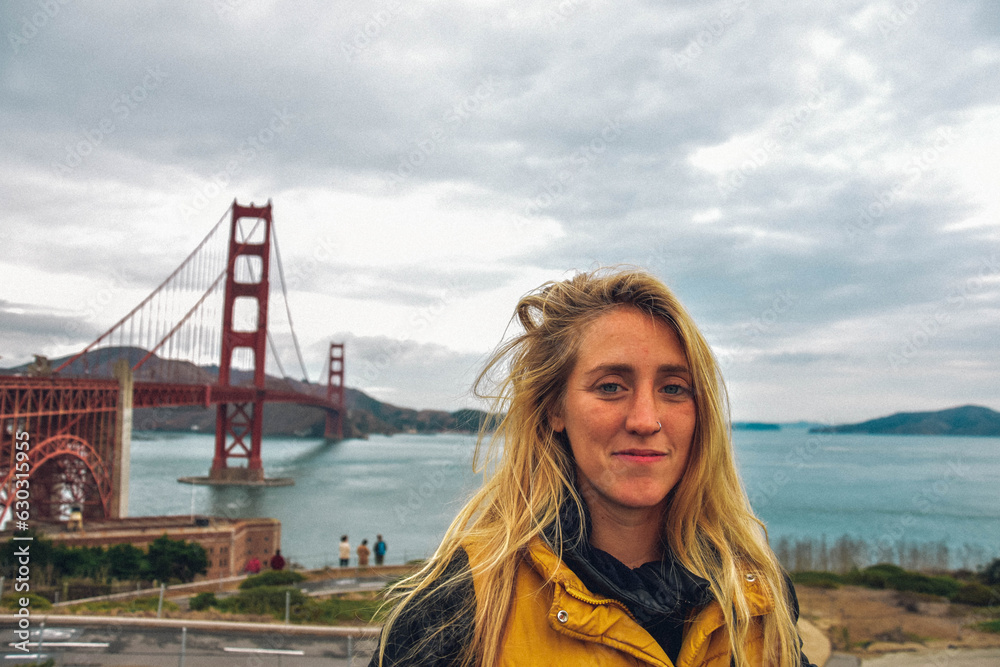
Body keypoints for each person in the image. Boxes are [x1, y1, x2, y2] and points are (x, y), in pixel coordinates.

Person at [371, 268, 816, 666]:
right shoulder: (461, 607)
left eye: (675, 388)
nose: (646, 419)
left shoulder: (759, 596)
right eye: (610, 386)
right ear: (554, 409)